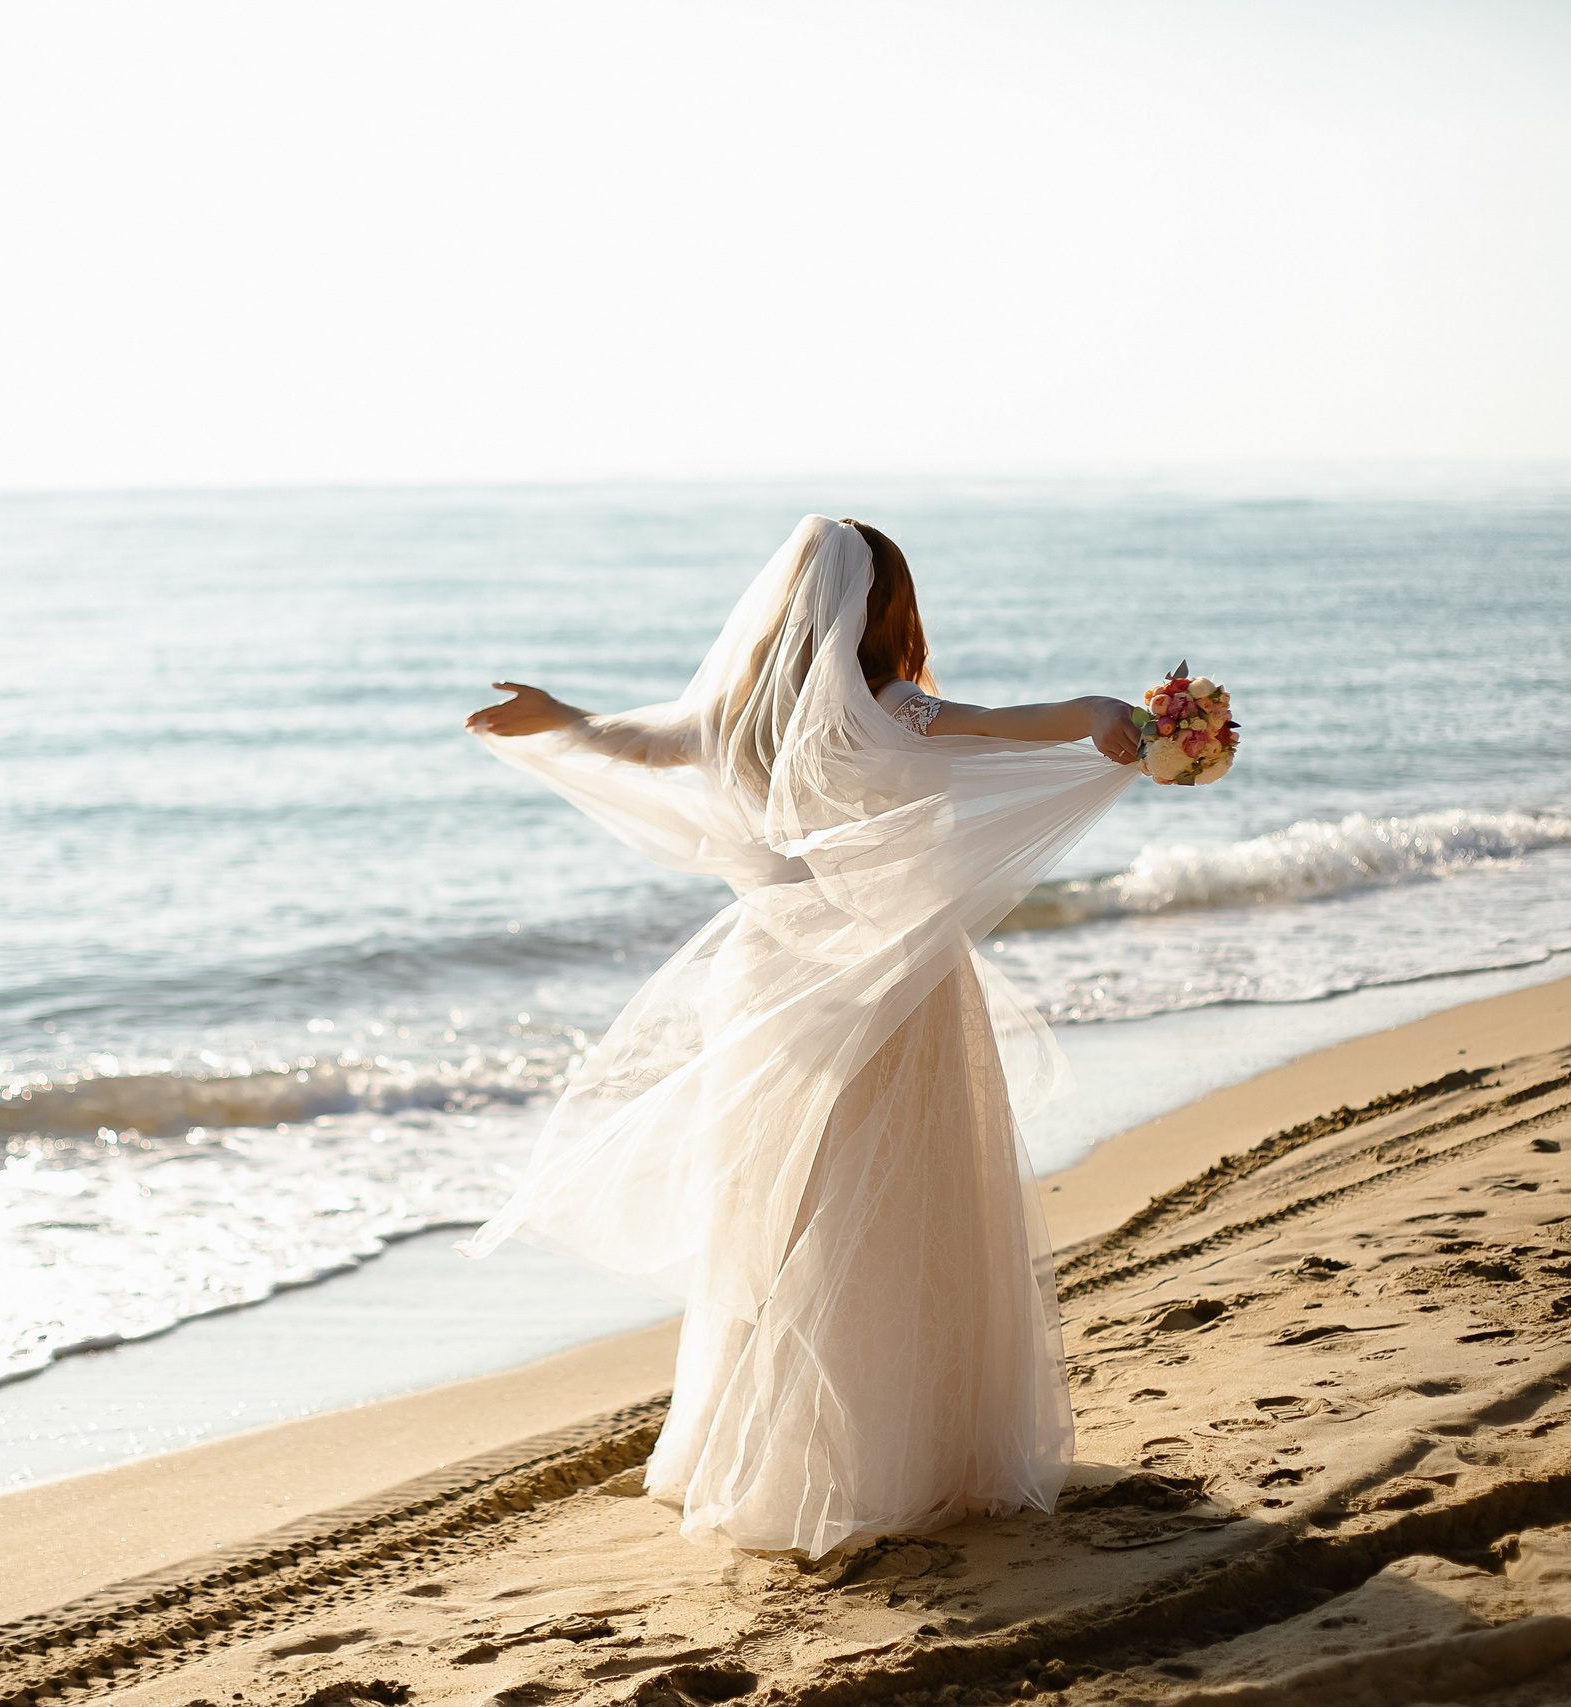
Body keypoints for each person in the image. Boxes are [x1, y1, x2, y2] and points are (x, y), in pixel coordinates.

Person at [461, 515, 1145, 1558]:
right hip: (891, 974)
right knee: (897, 1199)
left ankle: (763, 1445)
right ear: (884, 610)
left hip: (770, 972)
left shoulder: (735, 717)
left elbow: (635, 742)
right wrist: (1103, 713)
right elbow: (1012, 725)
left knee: (778, 1200)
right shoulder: (890, 708)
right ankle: (897, 1452)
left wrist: (560, 717)